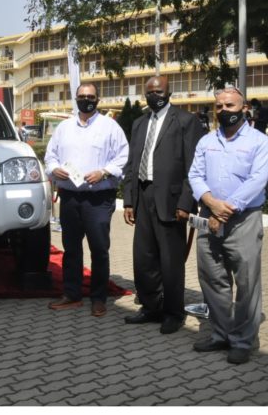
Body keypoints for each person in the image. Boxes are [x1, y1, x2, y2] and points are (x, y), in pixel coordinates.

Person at [188, 87, 268, 365]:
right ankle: (221, 334)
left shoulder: (260, 141)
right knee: (212, 279)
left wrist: (225, 208)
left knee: (247, 283)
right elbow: (195, 175)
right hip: (209, 218)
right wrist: (210, 201)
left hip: (243, 219)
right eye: (219, 107)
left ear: (244, 108)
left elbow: (259, 179)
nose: (224, 111)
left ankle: (243, 341)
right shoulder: (206, 141)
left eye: (230, 106)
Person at [122, 76, 205, 334]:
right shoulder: (139, 123)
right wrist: (128, 200)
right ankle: (150, 307)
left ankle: (173, 312)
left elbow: (194, 166)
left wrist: (186, 202)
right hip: (143, 196)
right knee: (144, 257)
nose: (154, 95)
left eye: (159, 91)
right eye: (150, 92)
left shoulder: (185, 121)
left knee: (170, 260)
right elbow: (131, 164)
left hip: (171, 200)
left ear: (169, 92)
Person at [44, 83, 129, 317]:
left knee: (99, 249)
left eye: (91, 97)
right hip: (70, 197)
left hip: (98, 198)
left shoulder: (110, 127)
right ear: (76, 99)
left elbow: (123, 157)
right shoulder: (64, 128)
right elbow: (50, 155)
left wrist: (104, 171)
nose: (86, 100)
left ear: (98, 99)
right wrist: (54, 169)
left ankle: (98, 297)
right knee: (71, 248)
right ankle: (72, 294)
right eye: (82, 96)